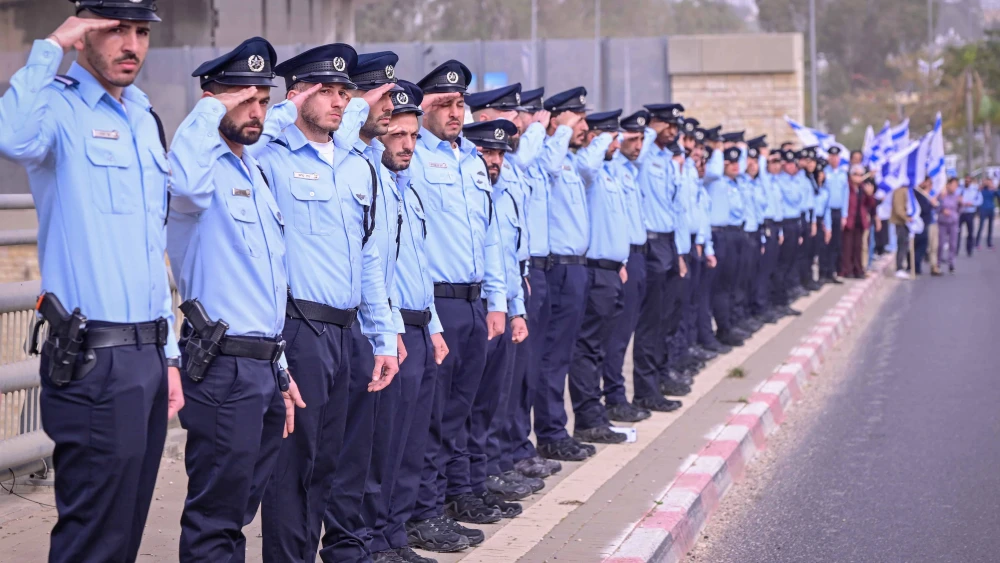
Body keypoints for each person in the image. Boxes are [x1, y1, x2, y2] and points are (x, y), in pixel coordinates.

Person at [0, 3, 183, 560]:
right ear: (84, 36)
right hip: (94, 355)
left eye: (142, 32)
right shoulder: (56, 107)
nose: (132, 45)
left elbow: (151, 245)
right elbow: (12, 138)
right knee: (93, 535)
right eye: (115, 30)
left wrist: (169, 354)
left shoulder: (143, 115)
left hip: (148, 353)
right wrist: (52, 43)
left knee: (124, 528)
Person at [166, 37, 306, 561]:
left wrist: (282, 367)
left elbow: (263, 284)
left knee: (240, 508)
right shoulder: (196, 172)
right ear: (211, 99)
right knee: (216, 516)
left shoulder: (254, 172)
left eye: (262, 100)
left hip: (263, 365)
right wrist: (208, 110)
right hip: (222, 366)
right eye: (241, 99)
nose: (256, 111)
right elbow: (184, 188)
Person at [407, 59, 508, 548]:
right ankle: (424, 512)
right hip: (439, 304)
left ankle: (448, 500)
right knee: (434, 415)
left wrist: (495, 299)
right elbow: (415, 245)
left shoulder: (471, 158)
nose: (454, 112)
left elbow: (488, 237)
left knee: (461, 412)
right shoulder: (414, 159)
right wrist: (428, 318)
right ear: (424, 107)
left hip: (472, 303)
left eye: (460, 103)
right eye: (444, 104)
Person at [317, 51, 405, 563]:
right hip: (310, 325)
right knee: (317, 460)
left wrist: (383, 330)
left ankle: (352, 548)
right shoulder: (330, 152)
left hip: (358, 325)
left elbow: (375, 260)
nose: (389, 108)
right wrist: (355, 108)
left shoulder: (367, 165)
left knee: (357, 455)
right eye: (381, 97)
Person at [368, 81, 455, 563]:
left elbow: (420, 266)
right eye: (396, 135)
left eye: (413, 136)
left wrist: (435, 326)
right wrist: (392, 329)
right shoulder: (371, 182)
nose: (406, 145)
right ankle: (375, 539)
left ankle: (396, 537)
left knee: (410, 445)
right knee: (383, 448)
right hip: (392, 331)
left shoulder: (409, 191)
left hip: (421, 326)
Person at [463, 87, 534, 519]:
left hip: (501, 304)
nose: (494, 160)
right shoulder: (470, 190)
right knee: (467, 409)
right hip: (473, 307)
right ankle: (469, 483)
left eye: (500, 153)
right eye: (486, 151)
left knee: (493, 401)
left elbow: (507, 257)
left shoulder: (503, 187)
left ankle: (485, 475)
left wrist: (516, 308)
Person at [530, 87, 597, 462]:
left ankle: (557, 427)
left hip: (576, 267)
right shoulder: (547, 155)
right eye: (576, 118)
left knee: (563, 354)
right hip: (556, 267)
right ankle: (551, 431)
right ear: (556, 119)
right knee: (551, 357)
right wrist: (559, 131)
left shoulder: (568, 159)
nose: (582, 126)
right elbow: (550, 164)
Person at [504, 87, 564, 480]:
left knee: (529, 367)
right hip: (515, 277)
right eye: (519, 114)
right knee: (512, 375)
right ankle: (509, 452)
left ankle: (517, 447)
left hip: (529, 272)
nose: (522, 122)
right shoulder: (510, 158)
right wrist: (542, 131)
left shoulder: (521, 159)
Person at [567, 109, 631, 444]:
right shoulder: (586, 168)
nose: (617, 145)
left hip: (610, 271)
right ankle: (588, 418)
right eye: (611, 137)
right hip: (594, 272)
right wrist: (601, 138)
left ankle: (598, 412)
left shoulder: (608, 172)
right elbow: (587, 165)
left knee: (600, 348)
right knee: (587, 348)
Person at [631, 102, 692, 413]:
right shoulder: (644, 155)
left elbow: (675, 208)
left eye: (675, 126)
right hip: (650, 244)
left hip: (668, 242)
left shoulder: (668, 159)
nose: (673, 131)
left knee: (666, 320)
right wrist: (648, 131)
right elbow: (636, 155)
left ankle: (658, 380)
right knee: (649, 322)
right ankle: (644, 390)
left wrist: (680, 252)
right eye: (667, 125)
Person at [603, 109, 656, 422]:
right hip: (624, 259)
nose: (638, 145)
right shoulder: (613, 167)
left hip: (639, 254)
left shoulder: (631, 169)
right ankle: (614, 395)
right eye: (631, 139)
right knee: (618, 334)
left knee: (629, 330)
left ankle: (617, 393)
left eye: (641, 139)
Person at [706, 146, 748, 347]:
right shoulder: (714, 179)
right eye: (729, 163)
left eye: (736, 162)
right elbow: (713, 171)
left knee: (734, 282)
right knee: (721, 286)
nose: (734, 166)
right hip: (721, 234)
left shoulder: (736, 183)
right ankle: (723, 328)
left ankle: (730, 323)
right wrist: (717, 151)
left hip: (736, 232)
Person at [840, 166, 875, 278]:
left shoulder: (862, 189)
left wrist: (869, 194)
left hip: (860, 220)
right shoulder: (847, 187)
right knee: (847, 247)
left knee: (858, 246)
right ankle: (847, 270)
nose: (858, 177)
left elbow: (870, 205)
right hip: (849, 219)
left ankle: (858, 269)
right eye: (856, 174)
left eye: (860, 175)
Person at [821, 146, 847, 283]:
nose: (834, 159)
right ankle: (824, 272)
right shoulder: (824, 173)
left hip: (838, 212)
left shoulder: (842, 174)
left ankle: (832, 271)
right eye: (831, 157)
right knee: (826, 242)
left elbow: (845, 195)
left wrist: (844, 215)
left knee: (836, 243)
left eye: (836, 157)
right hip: (827, 212)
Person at [938, 177, 961, 273]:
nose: (955, 187)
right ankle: (938, 263)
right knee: (940, 244)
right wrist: (942, 210)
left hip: (953, 223)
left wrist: (960, 204)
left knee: (953, 244)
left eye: (956, 185)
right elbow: (936, 207)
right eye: (953, 185)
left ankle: (951, 263)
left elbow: (960, 209)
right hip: (942, 223)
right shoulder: (942, 195)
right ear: (948, 185)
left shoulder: (957, 196)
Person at [890, 183, 912, 279]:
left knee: (905, 245)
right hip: (901, 222)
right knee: (902, 245)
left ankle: (903, 267)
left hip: (905, 223)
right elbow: (899, 209)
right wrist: (907, 218)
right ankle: (899, 268)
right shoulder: (899, 190)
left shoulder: (908, 190)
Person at [959, 176, 981, 257]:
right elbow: (956, 197)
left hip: (970, 213)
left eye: (968, 181)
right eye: (966, 181)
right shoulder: (960, 189)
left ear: (970, 182)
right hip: (961, 212)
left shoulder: (975, 190)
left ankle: (969, 250)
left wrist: (972, 203)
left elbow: (979, 200)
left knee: (970, 232)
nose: (967, 182)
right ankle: (956, 250)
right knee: (958, 232)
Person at [975, 178, 998, 248]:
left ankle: (989, 243)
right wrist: (982, 185)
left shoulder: (993, 190)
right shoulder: (982, 190)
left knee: (990, 227)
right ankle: (977, 242)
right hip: (983, 209)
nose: (988, 184)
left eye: (989, 182)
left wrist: (994, 188)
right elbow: (976, 194)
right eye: (987, 182)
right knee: (981, 226)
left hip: (991, 209)